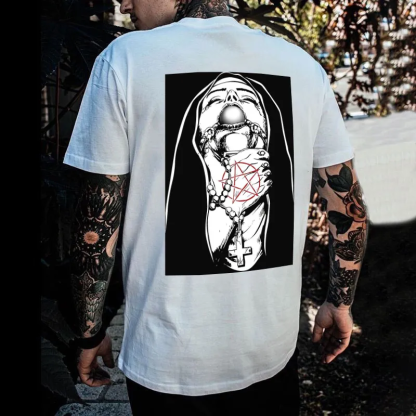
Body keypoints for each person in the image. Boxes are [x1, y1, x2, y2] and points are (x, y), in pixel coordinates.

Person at [63, 0, 369, 414]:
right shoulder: (300, 66)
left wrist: (89, 333)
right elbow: (347, 205)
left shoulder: (125, 59)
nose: (125, 4)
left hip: (167, 359)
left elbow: (95, 221)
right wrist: (340, 302)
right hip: (269, 353)